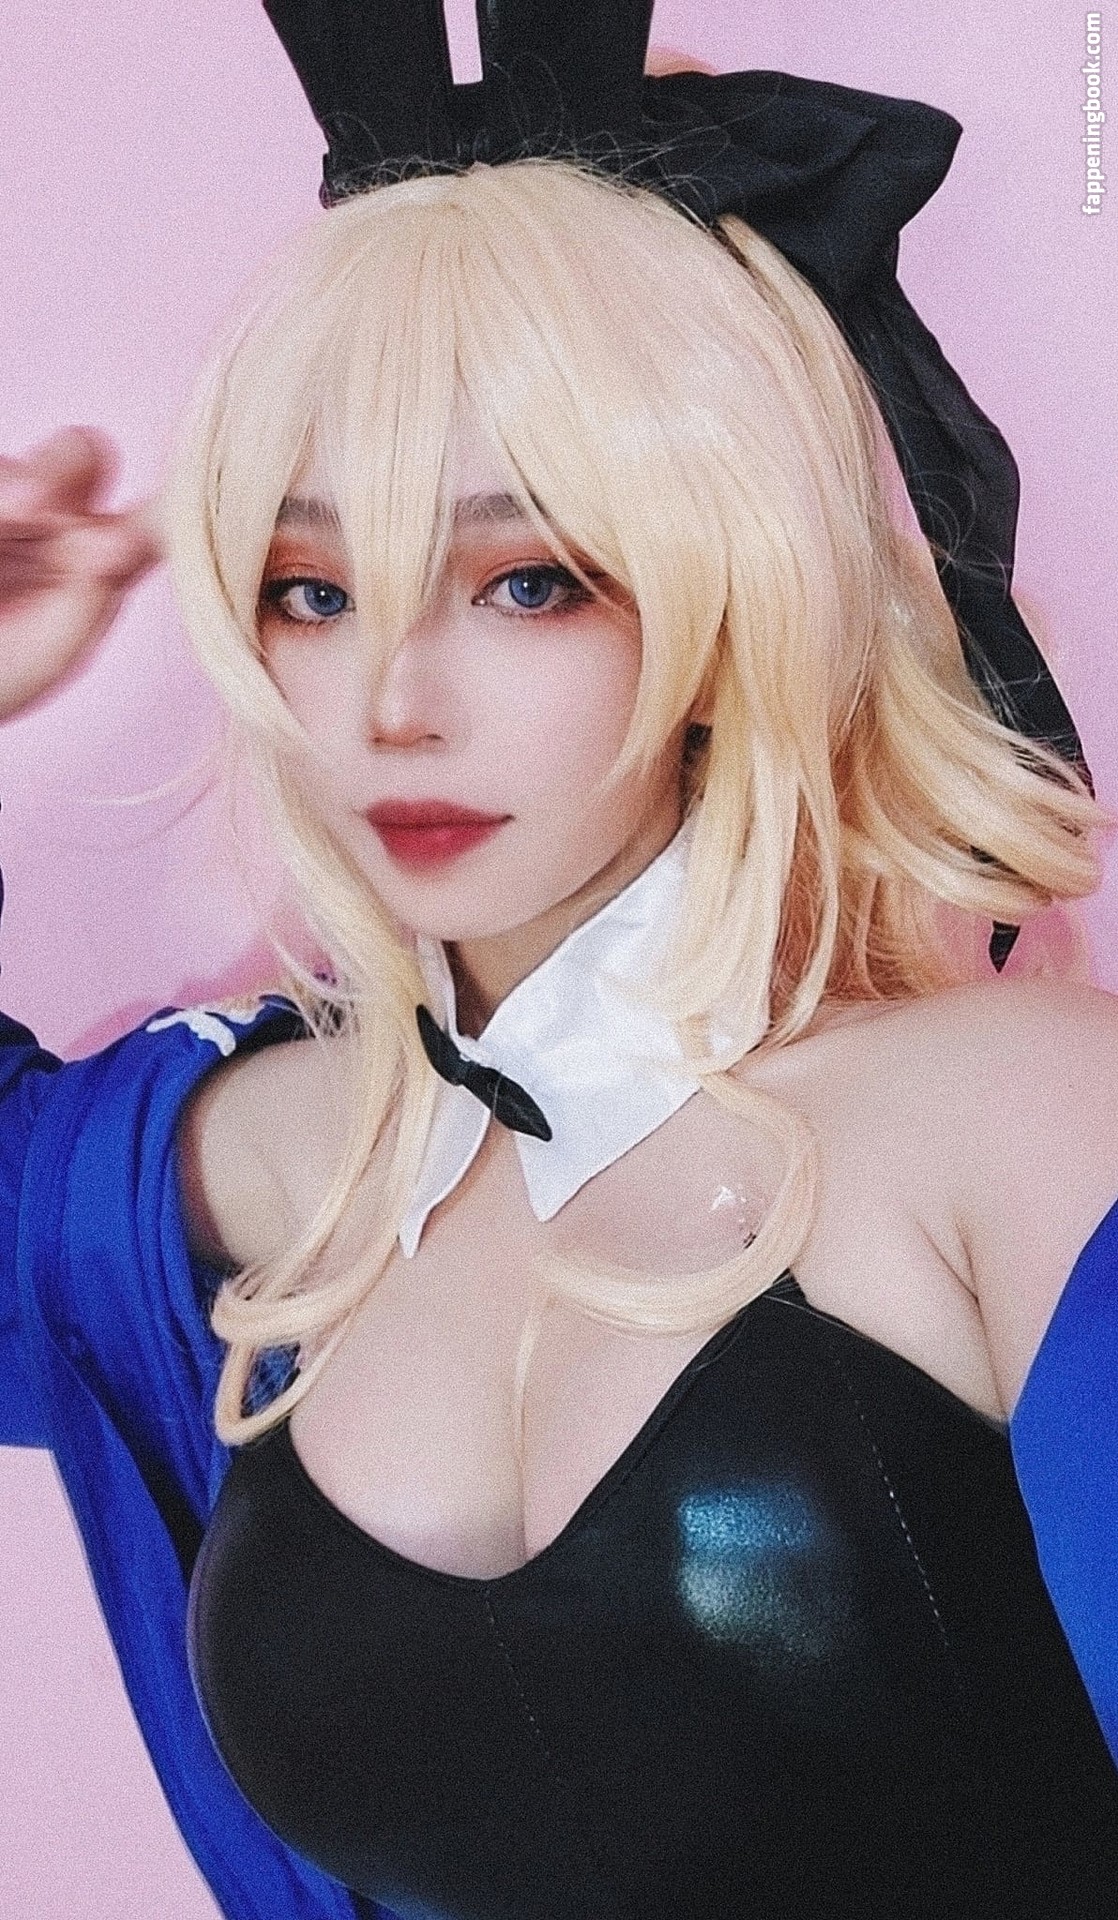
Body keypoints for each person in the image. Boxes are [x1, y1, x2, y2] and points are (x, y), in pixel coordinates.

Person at [2, 7, 1118, 1919]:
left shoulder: (1019, 1119)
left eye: (525, 581)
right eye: (310, 591)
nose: (391, 701)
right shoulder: (271, 1166)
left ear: (726, 589)